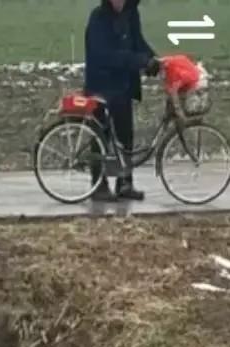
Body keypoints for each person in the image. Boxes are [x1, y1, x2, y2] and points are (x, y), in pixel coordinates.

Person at [84, 0, 161, 203]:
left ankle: (124, 183)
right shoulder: (98, 18)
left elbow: (138, 42)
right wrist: (139, 61)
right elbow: (104, 56)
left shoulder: (131, 15)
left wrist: (154, 60)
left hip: (124, 87)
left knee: (125, 137)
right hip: (101, 86)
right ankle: (98, 186)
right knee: (102, 138)